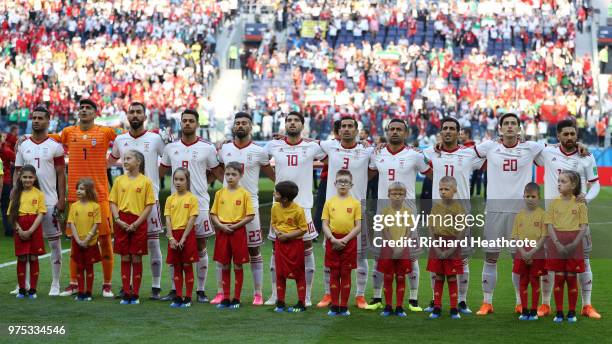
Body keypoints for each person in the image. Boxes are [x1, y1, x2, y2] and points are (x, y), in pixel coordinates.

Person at [473, 113, 544, 316]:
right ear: (500, 129)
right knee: (491, 257)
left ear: (519, 129)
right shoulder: (489, 147)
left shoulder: (531, 148)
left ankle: (520, 302)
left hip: (520, 214)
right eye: (506, 124)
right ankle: (487, 302)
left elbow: (555, 152)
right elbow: (465, 155)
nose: (510, 127)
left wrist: (580, 147)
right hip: (494, 210)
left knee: (519, 259)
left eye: (514, 124)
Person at [534, 119, 601, 319]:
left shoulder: (586, 157)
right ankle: (545, 305)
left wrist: (585, 199)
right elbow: (524, 146)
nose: (570, 137)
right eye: (566, 134)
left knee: (584, 260)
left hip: (576, 219)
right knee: (549, 263)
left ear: (577, 135)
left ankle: (586, 305)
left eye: (573, 134)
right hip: (552, 219)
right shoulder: (547, 152)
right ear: (558, 136)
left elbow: (595, 183)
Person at [366, 119, 431, 312]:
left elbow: (432, 174)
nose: (395, 132)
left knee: (411, 256)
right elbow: (367, 175)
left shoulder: (415, 155)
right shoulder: (377, 153)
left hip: (408, 212)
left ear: (406, 133)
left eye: (399, 129)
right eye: (391, 129)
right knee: (380, 255)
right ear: (386, 132)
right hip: (382, 212)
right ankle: (377, 296)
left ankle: (413, 299)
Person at [53, 99, 117, 298]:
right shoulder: (68, 132)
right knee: (75, 241)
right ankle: (74, 283)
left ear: (95, 113)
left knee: (105, 240)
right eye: (81, 108)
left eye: (88, 108)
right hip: (75, 196)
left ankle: (107, 285)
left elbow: (126, 137)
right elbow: (49, 138)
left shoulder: (105, 132)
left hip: (100, 196)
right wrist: (25, 138)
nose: (84, 110)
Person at [159, 109, 224, 303]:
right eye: (184, 120)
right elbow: (161, 172)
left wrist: (205, 183)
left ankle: (201, 290)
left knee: (201, 245)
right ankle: (174, 289)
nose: (187, 123)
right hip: (176, 205)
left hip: (201, 204)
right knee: (175, 246)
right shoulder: (170, 148)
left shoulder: (208, 148)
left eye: (191, 121)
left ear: (197, 124)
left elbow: (217, 172)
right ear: (180, 123)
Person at [423, 117, 484, 314]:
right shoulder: (430, 152)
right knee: (436, 262)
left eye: (452, 129)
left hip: (461, 215)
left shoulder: (468, 154)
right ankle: (435, 301)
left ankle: (462, 302)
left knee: (462, 260)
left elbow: (490, 151)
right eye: (445, 129)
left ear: (459, 133)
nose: (448, 131)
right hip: (438, 214)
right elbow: (412, 155)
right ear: (440, 132)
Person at [265, 111, 325, 307]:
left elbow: (333, 149)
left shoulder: (311, 147)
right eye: (289, 121)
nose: (292, 123)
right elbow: (256, 155)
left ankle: (306, 297)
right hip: (278, 207)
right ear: (284, 125)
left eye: (296, 121)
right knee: (276, 248)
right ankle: (275, 295)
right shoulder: (274, 145)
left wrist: (308, 138)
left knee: (307, 249)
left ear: (302, 124)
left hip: (304, 206)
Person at [215, 112, 275, 306]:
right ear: (233, 127)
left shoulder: (259, 151)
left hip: (251, 207)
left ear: (251, 127)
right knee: (223, 253)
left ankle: (257, 292)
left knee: (254, 250)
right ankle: (221, 292)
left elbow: (273, 176)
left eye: (244, 123)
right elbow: (217, 170)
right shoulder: (224, 149)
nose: (240, 126)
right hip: (225, 208)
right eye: (237, 123)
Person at [108, 102, 166, 300]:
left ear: (145, 116)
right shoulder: (120, 139)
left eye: (138, 112)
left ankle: (156, 287)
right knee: (126, 248)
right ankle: (127, 287)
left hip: (151, 199)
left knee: (152, 244)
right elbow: (110, 160)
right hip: (125, 202)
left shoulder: (156, 139)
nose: (134, 115)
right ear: (127, 116)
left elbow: (167, 160)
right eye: (131, 112)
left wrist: (156, 179)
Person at [318, 117, 373, 309]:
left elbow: (374, 169)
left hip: (358, 209)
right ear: (338, 131)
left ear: (357, 130)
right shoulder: (329, 146)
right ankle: (328, 294)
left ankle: (360, 295)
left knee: (361, 256)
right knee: (329, 255)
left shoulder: (367, 150)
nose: (347, 129)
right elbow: (305, 144)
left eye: (351, 126)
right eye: (344, 127)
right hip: (332, 210)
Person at [14, 106, 66, 296]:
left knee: (54, 243)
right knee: (24, 244)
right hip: (25, 203)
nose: (36, 121)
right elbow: (17, 171)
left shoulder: (55, 146)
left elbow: (61, 174)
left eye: (40, 118)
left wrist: (62, 198)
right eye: (34, 118)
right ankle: (24, 282)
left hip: (50, 201)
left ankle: (55, 283)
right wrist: (14, 191)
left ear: (48, 121)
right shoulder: (23, 145)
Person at [109, 150, 155, 305]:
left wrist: (137, 223)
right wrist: (117, 219)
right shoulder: (119, 180)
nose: (125, 161)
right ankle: (126, 293)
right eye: (124, 158)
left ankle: (135, 294)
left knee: (136, 256)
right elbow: (113, 202)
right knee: (125, 256)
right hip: (121, 220)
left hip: (138, 221)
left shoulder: (146, 181)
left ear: (139, 162)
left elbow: (149, 205)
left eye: (128, 158)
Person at [544, 170, 588, 323]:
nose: (559, 184)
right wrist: (556, 243)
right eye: (559, 181)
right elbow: (549, 224)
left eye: (563, 181)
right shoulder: (554, 203)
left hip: (574, 243)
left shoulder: (580, 203)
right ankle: (559, 312)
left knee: (571, 277)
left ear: (573, 185)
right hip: (557, 242)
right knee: (559, 278)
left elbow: (583, 226)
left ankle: (571, 312)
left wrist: (574, 244)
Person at [210, 161, 255, 310]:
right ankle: (226, 297)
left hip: (238, 232)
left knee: (237, 264)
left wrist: (235, 226)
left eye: (233, 174)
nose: (230, 177)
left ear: (241, 175)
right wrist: (221, 226)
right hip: (223, 231)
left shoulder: (244, 194)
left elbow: (250, 216)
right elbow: (213, 214)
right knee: (224, 264)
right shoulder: (219, 193)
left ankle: (236, 298)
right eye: (227, 174)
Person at [322, 169, 362, 316]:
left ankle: (344, 306)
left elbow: (358, 226)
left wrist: (344, 240)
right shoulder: (329, 202)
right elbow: (325, 224)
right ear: (335, 184)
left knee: (345, 273)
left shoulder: (356, 203)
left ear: (351, 185)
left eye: (346, 182)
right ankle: (334, 305)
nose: (343, 184)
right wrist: (332, 239)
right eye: (340, 181)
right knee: (334, 273)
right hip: (332, 241)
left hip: (348, 242)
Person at [427, 176, 465, 319]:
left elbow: (462, 230)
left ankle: (454, 308)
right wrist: (436, 247)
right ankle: (437, 307)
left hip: (452, 245)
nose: (443, 192)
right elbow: (430, 227)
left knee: (451, 277)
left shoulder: (458, 208)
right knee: (438, 276)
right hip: (437, 244)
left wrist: (452, 248)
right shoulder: (435, 207)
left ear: (454, 190)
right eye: (441, 189)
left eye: (446, 189)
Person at [375, 182, 413, 317]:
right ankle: (388, 306)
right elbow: (384, 230)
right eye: (394, 194)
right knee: (388, 277)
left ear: (405, 196)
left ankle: (399, 307)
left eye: (400, 194)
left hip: (403, 248)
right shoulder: (385, 211)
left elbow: (409, 230)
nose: (397, 196)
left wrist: (401, 245)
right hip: (388, 248)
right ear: (388, 195)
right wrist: (393, 245)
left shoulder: (408, 212)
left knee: (401, 277)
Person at [270, 181, 308, 313]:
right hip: (280, 243)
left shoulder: (298, 210)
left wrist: (288, 236)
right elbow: (274, 223)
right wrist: (277, 232)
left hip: (294, 245)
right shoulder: (275, 207)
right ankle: (280, 302)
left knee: (298, 273)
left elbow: (303, 229)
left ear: (285, 198)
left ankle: (301, 302)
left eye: (276, 193)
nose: (274, 194)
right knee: (279, 272)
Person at [164, 168, 200, 308]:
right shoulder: (169, 199)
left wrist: (183, 238)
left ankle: (188, 297)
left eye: (181, 179)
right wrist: (171, 238)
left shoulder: (192, 198)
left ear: (187, 181)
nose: (178, 182)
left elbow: (192, 219)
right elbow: (167, 219)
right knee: (177, 266)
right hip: (174, 236)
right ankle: (178, 296)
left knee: (187, 265)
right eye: (176, 179)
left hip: (187, 235)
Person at [9, 165, 46, 299]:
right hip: (20, 227)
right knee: (22, 257)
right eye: (25, 177)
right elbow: (11, 215)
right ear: (20, 178)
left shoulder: (39, 194)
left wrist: (30, 231)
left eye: (30, 177)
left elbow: (41, 214)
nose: (27, 180)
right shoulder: (16, 194)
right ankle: (22, 289)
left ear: (35, 178)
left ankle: (33, 290)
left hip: (34, 228)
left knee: (33, 257)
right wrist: (19, 230)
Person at [512, 182, 547, 321]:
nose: (530, 199)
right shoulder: (519, 215)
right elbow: (515, 236)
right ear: (523, 197)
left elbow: (544, 236)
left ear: (539, 197)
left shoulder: (543, 215)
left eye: (533, 196)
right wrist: (523, 252)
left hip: (537, 252)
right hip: (521, 252)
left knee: (534, 281)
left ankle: (533, 310)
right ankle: (524, 309)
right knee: (523, 281)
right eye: (528, 196)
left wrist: (532, 252)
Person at [67, 178, 102, 302]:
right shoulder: (74, 206)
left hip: (90, 243)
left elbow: (96, 224)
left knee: (89, 267)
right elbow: (72, 224)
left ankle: (89, 292)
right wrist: (78, 240)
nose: (78, 191)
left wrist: (87, 239)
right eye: (77, 188)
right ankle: (81, 292)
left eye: (81, 189)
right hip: (78, 243)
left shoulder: (95, 206)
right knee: (79, 267)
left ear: (89, 190)